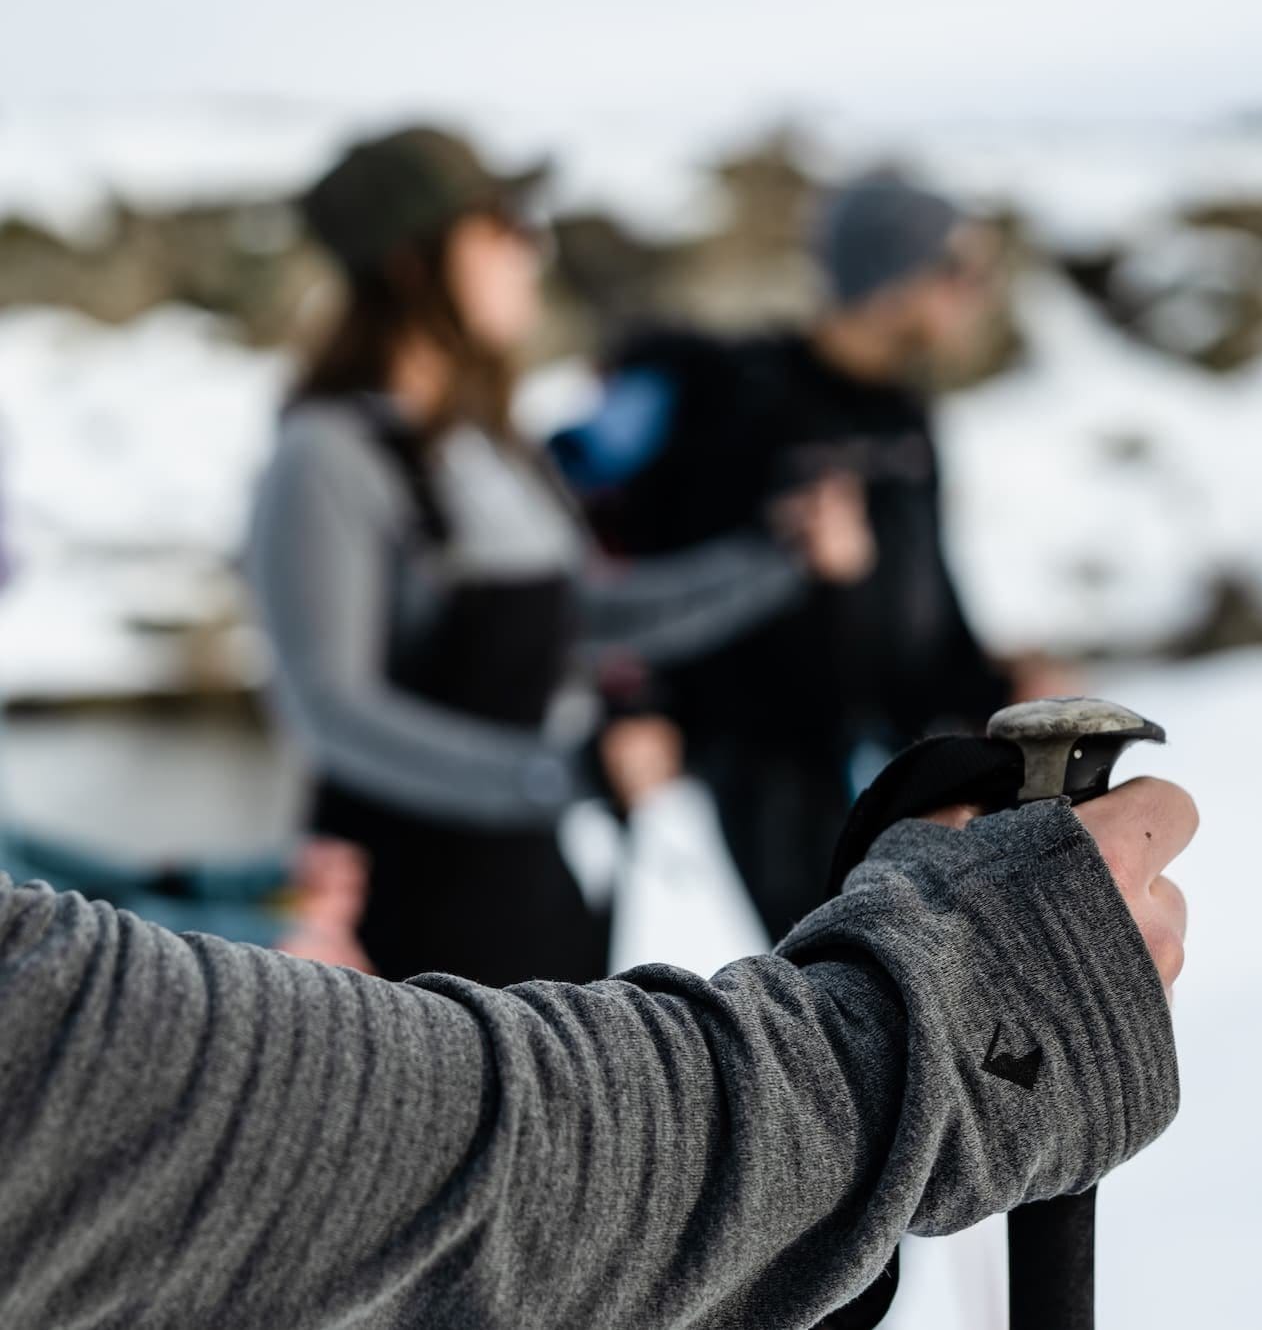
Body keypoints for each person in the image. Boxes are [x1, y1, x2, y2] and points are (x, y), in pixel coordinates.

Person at [0, 766, 1192, 1329]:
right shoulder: (327, 460)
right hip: (432, 958)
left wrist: (221, 894)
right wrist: (899, 1043)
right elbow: (76, 1064)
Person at [247, 127, 869, 988]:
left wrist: (778, 557)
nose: (529, 250)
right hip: (396, 929)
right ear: (412, 262)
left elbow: (595, 614)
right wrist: (560, 772)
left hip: (536, 895)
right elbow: (331, 712)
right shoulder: (325, 456)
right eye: (501, 226)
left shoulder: (500, 448)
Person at [556, 173, 1059, 943]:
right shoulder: (745, 404)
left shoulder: (902, 412)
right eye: (958, 271)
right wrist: (641, 710)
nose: (978, 295)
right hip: (766, 764)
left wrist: (991, 690)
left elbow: (928, 592)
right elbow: (654, 590)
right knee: (836, 985)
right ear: (890, 278)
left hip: (891, 750)